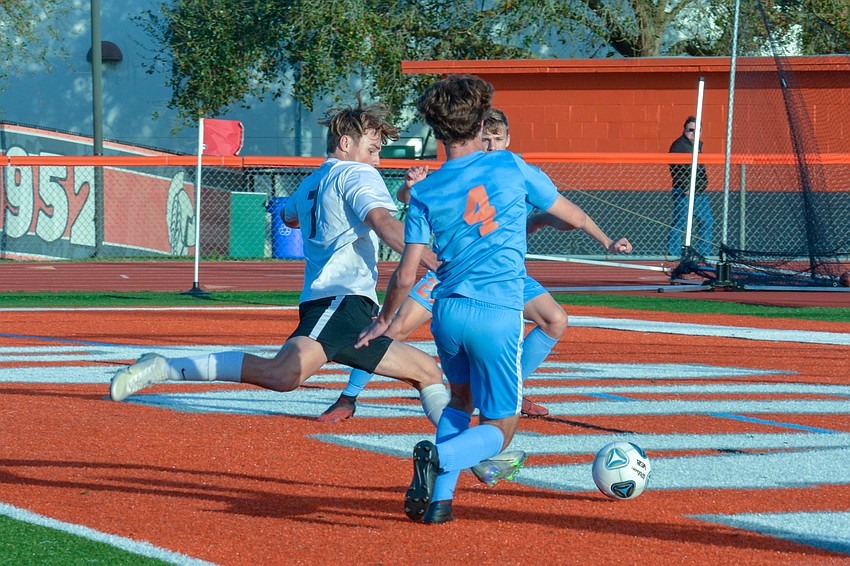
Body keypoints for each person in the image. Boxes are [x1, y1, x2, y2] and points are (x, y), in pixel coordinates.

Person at [357, 74, 632, 524]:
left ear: (436, 131)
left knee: (459, 402)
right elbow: (569, 212)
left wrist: (384, 320)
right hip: (498, 314)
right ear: (483, 123)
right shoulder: (509, 166)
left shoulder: (424, 192)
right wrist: (602, 239)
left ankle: (439, 504)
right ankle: (440, 461)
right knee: (500, 429)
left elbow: (408, 271)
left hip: (447, 312)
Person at [108, 98, 450, 427]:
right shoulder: (357, 174)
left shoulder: (311, 181)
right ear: (346, 143)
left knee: (425, 371)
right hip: (339, 301)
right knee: (281, 373)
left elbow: (289, 218)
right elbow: (385, 224)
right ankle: (165, 367)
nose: (376, 160)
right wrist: (435, 260)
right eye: (373, 150)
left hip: (341, 306)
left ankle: (468, 452)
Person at [319, 108, 557, 424]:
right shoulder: (457, 173)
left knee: (555, 319)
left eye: (498, 140)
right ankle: (348, 397)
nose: (491, 146)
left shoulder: (513, 172)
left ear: (508, 140)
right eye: (485, 139)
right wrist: (409, 186)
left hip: (500, 277)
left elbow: (548, 214)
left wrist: (543, 219)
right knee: (395, 329)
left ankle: (511, 388)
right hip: (451, 274)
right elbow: (409, 197)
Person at [668, 116, 714, 258]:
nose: (694, 133)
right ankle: (674, 254)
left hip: (698, 192)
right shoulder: (678, 147)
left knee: (707, 221)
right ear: (684, 130)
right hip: (684, 192)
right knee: (681, 222)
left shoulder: (697, 146)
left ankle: (704, 253)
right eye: (691, 130)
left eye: (697, 131)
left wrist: (701, 185)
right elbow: (676, 170)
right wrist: (686, 187)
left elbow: (701, 172)